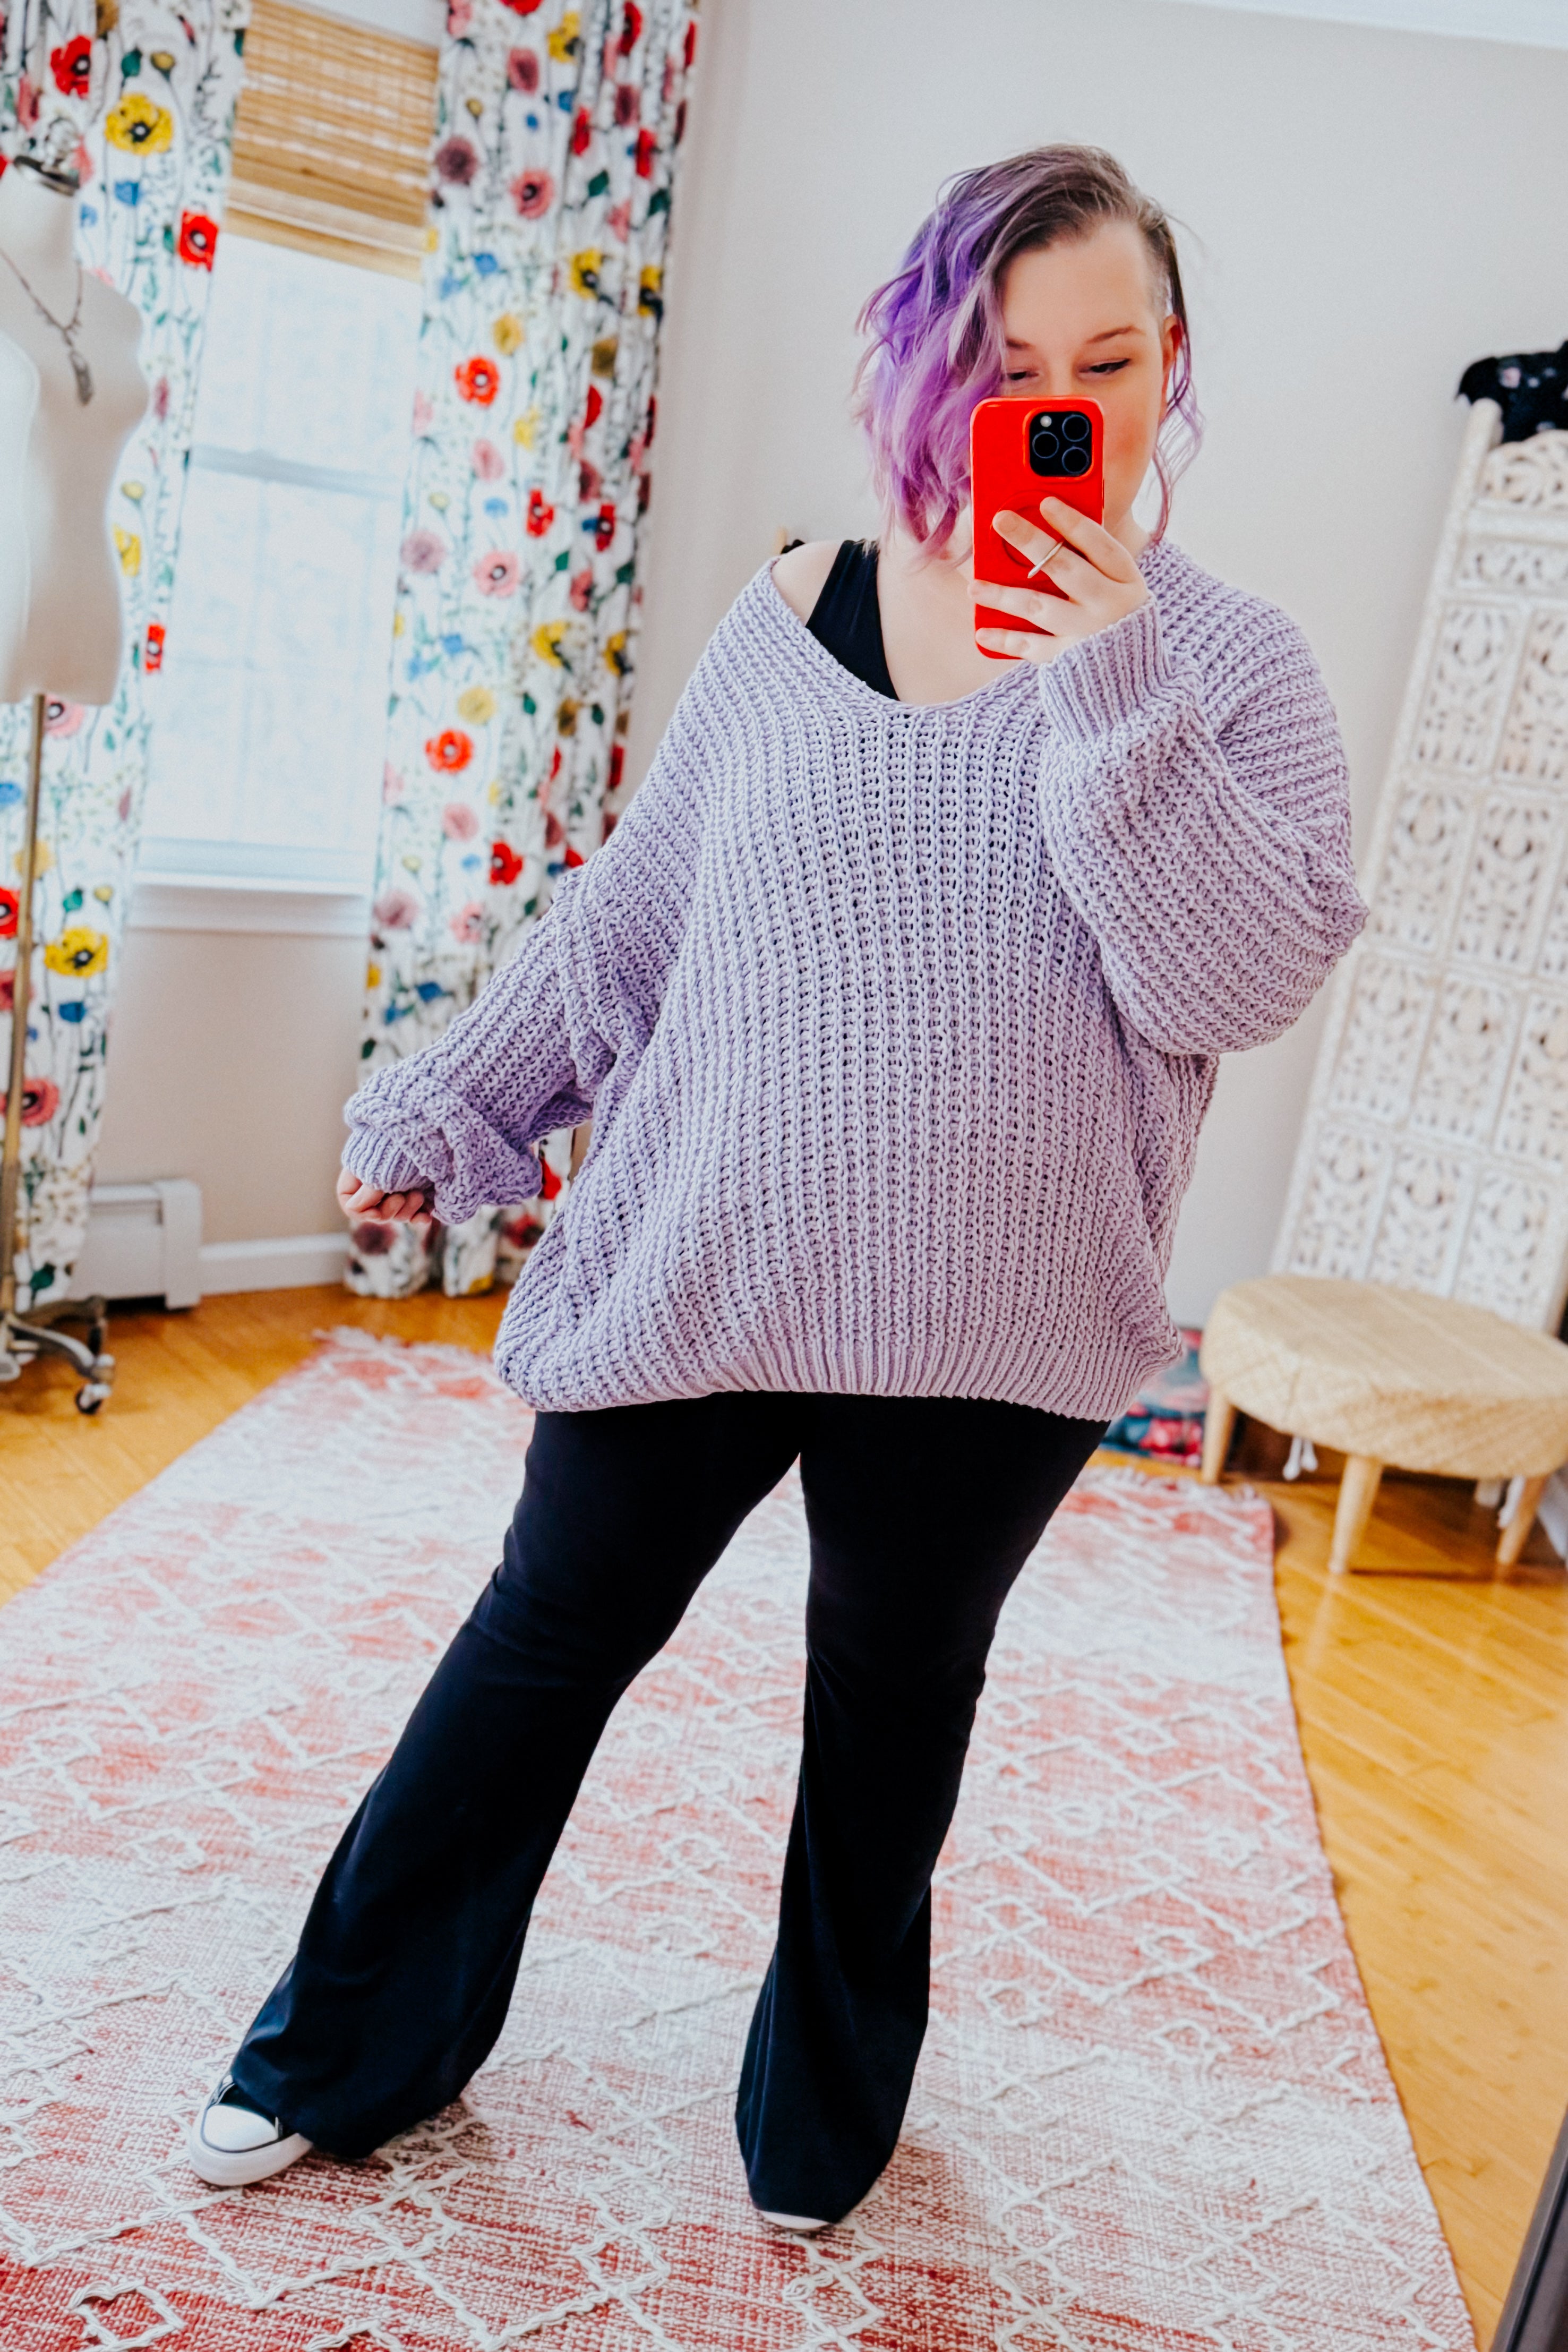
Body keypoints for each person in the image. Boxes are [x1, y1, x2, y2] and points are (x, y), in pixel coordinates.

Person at [186, 145, 1366, 2230]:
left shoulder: (1231, 670)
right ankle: (339, 2046)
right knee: (538, 1644)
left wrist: (1099, 669)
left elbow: (1230, 977)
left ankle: (819, 2125)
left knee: (888, 1722)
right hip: (705, 1261)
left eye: (1105, 358)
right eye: (1011, 363)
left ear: (1166, 365)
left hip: (994, 1329)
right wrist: (447, 1095)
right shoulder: (793, 607)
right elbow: (637, 927)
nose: (1056, 402)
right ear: (933, 363)